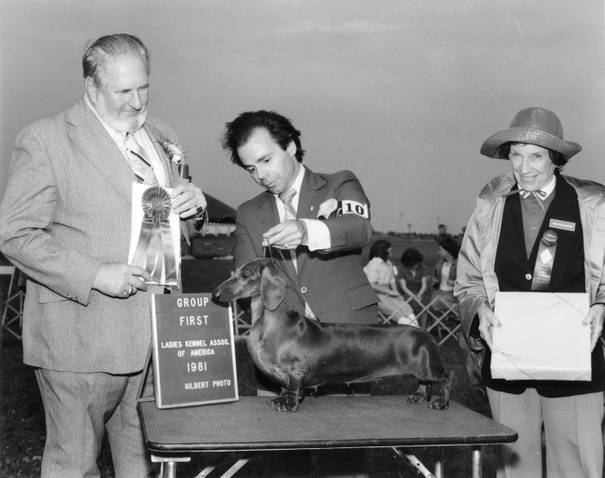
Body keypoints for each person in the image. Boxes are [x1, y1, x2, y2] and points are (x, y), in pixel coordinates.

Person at [0, 34, 207, 477]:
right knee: (74, 466)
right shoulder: (46, 138)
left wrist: (195, 209)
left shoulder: (163, 136)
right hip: (81, 338)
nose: (137, 101)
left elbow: (176, 228)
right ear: (91, 87)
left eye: (144, 87)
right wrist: (94, 273)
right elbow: (14, 234)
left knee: (143, 464)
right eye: (124, 91)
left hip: (157, 336)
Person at [454, 106, 605, 478]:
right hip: (508, 359)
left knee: (577, 466)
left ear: (555, 158)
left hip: (577, 359)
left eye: (535, 156)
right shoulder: (490, 204)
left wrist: (602, 304)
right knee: (513, 466)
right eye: (516, 155)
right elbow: (468, 279)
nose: (523, 167)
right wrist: (479, 310)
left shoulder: (594, 205)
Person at [221, 110, 378, 325]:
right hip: (289, 335)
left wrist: (305, 230)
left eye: (266, 160)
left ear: (290, 147)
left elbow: (359, 228)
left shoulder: (339, 183)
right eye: (251, 169)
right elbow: (247, 283)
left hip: (350, 328)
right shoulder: (247, 213)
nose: (261, 175)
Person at [363, 239, 419, 326]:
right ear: (383, 250)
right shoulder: (374, 263)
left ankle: (416, 329)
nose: (391, 251)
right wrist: (389, 292)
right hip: (376, 296)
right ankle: (412, 330)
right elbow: (372, 284)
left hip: (389, 294)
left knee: (407, 309)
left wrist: (397, 294)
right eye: (389, 249)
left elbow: (392, 282)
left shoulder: (389, 263)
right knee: (398, 313)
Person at [399, 247, 430, 328]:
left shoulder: (423, 267)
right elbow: (403, 287)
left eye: (417, 263)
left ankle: (423, 328)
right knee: (410, 302)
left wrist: (419, 295)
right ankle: (412, 327)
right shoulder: (402, 269)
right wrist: (413, 296)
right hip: (407, 293)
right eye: (413, 263)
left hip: (420, 292)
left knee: (424, 303)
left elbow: (424, 284)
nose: (416, 265)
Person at [431, 235, 460, 312]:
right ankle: (451, 313)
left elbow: (466, 282)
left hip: (453, 294)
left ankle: (453, 312)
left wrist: (454, 283)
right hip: (439, 292)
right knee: (435, 303)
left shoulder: (459, 264)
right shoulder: (440, 263)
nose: (439, 252)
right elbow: (434, 277)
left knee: (439, 303)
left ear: (448, 251)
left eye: (441, 250)